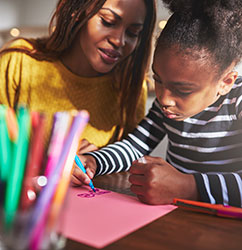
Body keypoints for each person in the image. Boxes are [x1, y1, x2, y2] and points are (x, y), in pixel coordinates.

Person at [73, 0, 242, 207]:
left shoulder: (238, 100)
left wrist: (187, 186)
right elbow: (135, 147)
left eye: (183, 90)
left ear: (225, 82)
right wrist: (93, 162)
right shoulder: (168, 108)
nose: (164, 99)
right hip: (173, 218)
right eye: (158, 80)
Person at [0, 0, 156, 151]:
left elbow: (129, 166)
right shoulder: (20, 61)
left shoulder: (131, 87)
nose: (119, 41)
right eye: (108, 22)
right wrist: (53, 159)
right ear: (76, 12)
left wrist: (98, 160)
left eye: (133, 33)